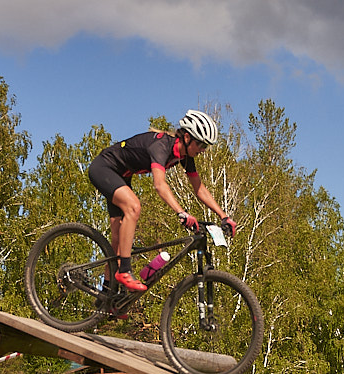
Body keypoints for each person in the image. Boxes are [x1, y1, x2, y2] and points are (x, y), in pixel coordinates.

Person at [88, 109, 237, 292]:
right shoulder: (161, 145)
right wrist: (181, 212)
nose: (203, 151)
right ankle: (124, 271)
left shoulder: (185, 156)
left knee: (118, 241)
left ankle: (107, 294)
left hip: (121, 176)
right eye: (201, 144)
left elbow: (199, 188)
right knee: (134, 207)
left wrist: (224, 215)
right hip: (104, 168)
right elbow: (159, 185)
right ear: (187, 138)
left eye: (206, 146)